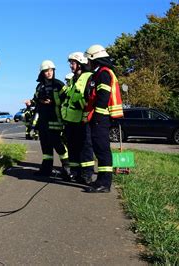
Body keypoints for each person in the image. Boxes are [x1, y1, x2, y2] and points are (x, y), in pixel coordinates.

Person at [81, 44, 123, 193]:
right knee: (99, 149)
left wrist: (97, 117)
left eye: (88, 60)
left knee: (103, 150)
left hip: (102, 117)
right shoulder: (99, 73)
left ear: (94, 59)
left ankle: (105, 183)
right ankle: (100, 180)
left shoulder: (104, 73)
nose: (87, 63)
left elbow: (103, 97)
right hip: (99, 117)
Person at [31, 60, 70, 179]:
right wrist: (36, 101)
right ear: (42, 72)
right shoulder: (39, 86)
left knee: (58, 145)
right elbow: (35, 99)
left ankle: (67, 168)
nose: (49, 73)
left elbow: (67, 100)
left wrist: (53, 102)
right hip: (43, 121)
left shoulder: (59, 85)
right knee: (46, 146)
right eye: (47, 71)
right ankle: (46, 169)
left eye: (51, 70)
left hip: (56, 119)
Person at [60, 52, 92, 183]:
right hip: (70, 120)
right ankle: (75, 173)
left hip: (82, 120)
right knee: (73, 148)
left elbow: (90, 99)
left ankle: (87, 175)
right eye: (70, 63)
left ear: (80, 63)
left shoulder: (89, 77)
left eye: (72, 63)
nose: (71, 66)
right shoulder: (73, 79)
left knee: (85, 148)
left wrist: (80, 101)